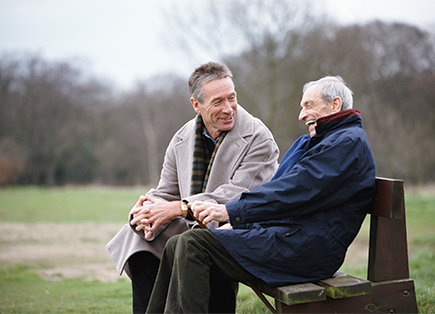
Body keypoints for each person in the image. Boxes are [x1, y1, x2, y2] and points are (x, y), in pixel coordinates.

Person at [146, 76, 377, 314]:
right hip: (287, 237)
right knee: (178, 244)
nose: (301, 115)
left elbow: (292, 192)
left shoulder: (347, 145)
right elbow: (279, 192)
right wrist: (239, 226)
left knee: (194, 244)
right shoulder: (314, 142)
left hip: (307, 251)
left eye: (308, 105)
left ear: (335, 105)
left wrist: (230, 212)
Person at [106, 61, 279, 313]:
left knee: (196, 244)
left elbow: (238, 197)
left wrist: (177, 208)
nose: (229, 108)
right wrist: (145, 210)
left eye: (232, 98)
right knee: (138, 239)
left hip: (237, 228)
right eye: (218, 102)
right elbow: (166, 191)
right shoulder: (182, 137)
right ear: (196, 105)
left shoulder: (259, 138)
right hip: (191, 227)